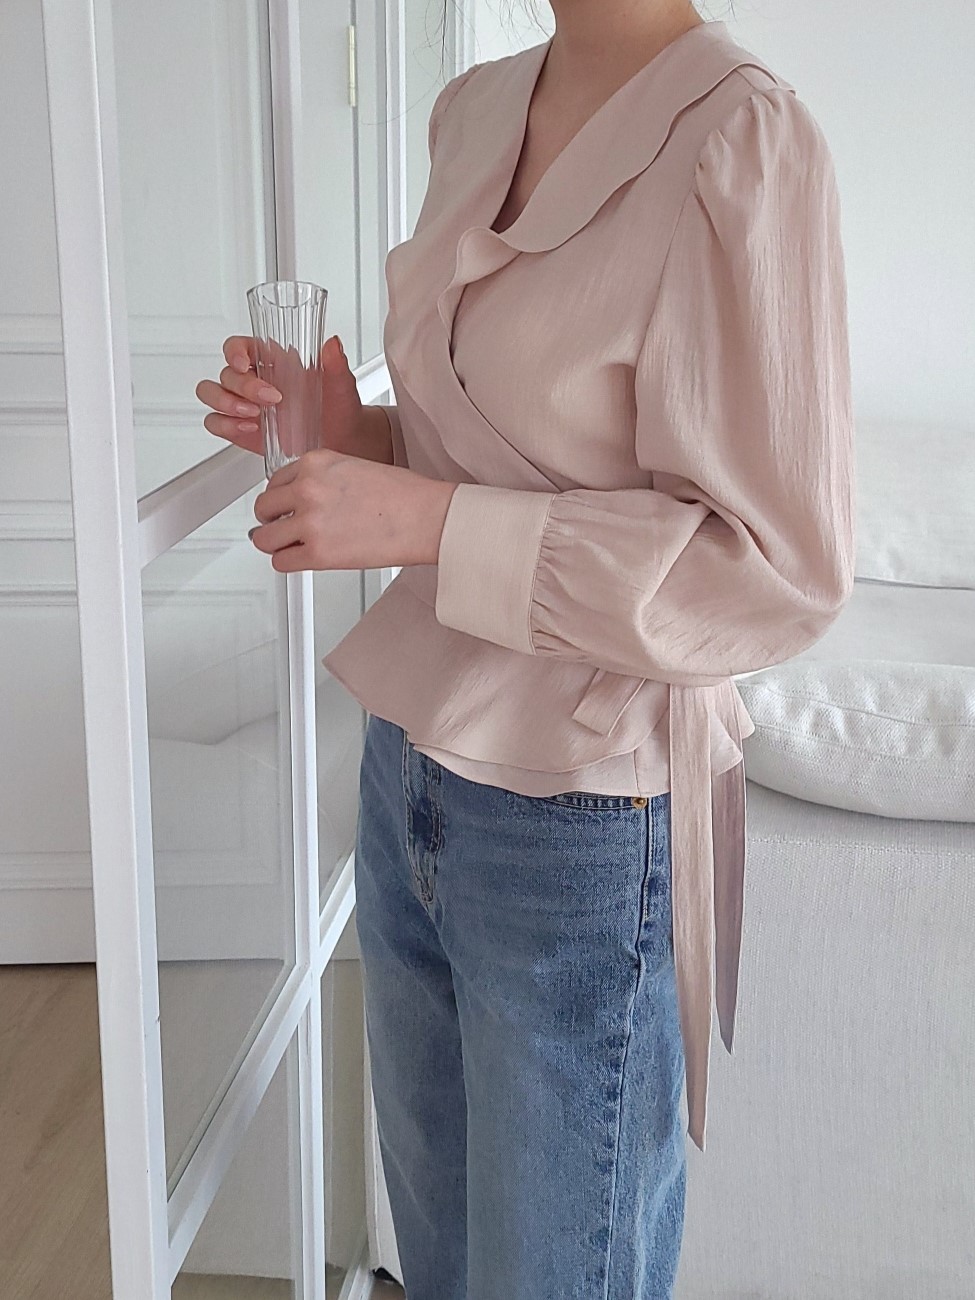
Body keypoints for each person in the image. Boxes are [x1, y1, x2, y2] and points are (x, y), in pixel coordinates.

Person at [195, 1, 855, 1294]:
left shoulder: (744, 140)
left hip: (583, 821)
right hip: (408, 767)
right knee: (440, 1260)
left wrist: (427, 519)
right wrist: (351, 434)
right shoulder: (474, 109)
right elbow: (497, 462)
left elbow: (771, 571)